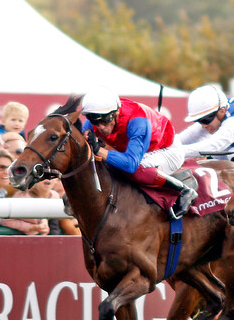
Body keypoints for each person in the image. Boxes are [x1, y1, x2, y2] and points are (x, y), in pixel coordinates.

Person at [81, 87, 197, 220]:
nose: (100, 126)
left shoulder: (137, 121)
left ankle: (184, 190)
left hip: (167, 150)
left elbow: (131, 164)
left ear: (116, 113)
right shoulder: (96, 116)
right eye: (94, 120)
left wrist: (98, 150)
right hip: (142, 151)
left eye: (105, 120)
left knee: (134, 171)